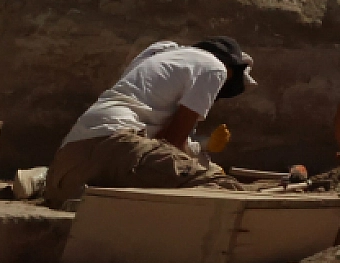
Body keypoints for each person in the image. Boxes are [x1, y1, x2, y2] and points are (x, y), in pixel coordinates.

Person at [44, 36, 255, 208]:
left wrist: (202, 147)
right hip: (118, 148)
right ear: (230, 67)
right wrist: (206, 167)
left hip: (66, 172)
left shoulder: (160, 58)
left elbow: (153, 142)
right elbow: (171, 142)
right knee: (223, 188)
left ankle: (92, 204)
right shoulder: (215, 68)